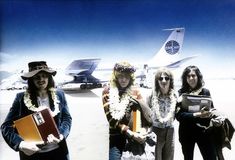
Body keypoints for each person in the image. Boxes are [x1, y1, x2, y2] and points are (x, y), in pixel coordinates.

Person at [1, 61, 72, 160]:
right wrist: (21, 144)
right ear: (31, 80)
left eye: (44, 76)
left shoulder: (60, 95)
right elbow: (6, 126)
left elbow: (66, 118)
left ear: (49, 77)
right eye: (36, 77)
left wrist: (61, 134)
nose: (41, 79)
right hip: (32, 154)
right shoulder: (21, 98)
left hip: (59, 152)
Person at [102, 61, 154, 160]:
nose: (123, 79)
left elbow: (144, 114)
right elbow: (111, 120)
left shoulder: (135, 91)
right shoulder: (107, 91)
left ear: (131, 78)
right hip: (116, 137)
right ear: (115, 77)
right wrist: (130, 133)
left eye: (126, 76)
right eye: (120, 76)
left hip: (135, 136)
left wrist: (142, 131)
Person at [175, 65, 217, 160]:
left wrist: (210, 113)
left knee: (211, 157)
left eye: (193, 76)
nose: (191, 78)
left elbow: (212, 109)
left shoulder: (205, 92)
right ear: (185, 78)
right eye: (188, 76)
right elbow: (179, 116)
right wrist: (196, 114)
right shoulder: (181, 93)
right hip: (186, 133)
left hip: (204, 131)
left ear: (198, 77)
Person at [146, 67, 177, 160]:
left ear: (170, 80)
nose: (164, 81)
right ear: (157, 81)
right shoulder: (151, 95)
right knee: (156, 157)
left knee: (169, 157)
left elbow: (176, 114)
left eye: (166, 78)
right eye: (161, 78)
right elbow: (146, 114)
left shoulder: (175, 96)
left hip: (170, 131)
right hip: (156, 130)